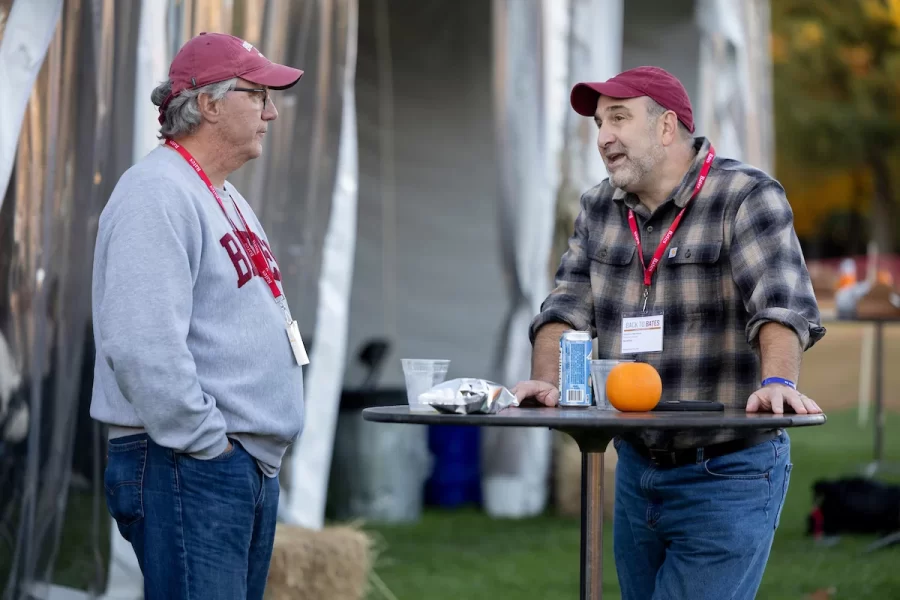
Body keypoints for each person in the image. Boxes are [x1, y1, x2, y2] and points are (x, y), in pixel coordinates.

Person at [512, 66, 826, 600]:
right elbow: (564, 305)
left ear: (665, 127)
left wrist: (778, 379)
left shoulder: (745, 196)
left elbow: (780, 304)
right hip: (636, 468)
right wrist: (545, 380)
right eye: (597, 123)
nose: (603, 136)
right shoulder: (597, 207)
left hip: (729, 470)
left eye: (618, 117)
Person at [91, 32, 308, 600]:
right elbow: (142, 344)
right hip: (187, 463)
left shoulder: (219, 192)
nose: (271, 112)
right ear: (209, 104)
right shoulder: (155, 193)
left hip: (228, 465)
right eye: (257, 94)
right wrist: (208, 444)